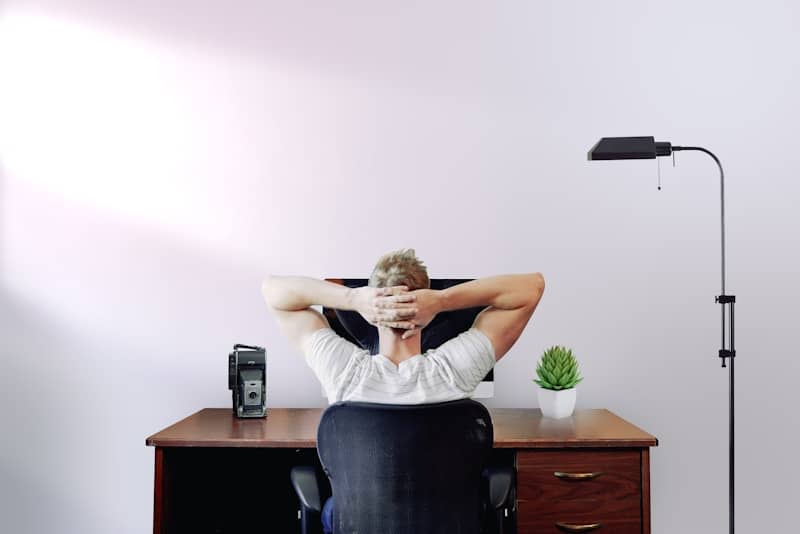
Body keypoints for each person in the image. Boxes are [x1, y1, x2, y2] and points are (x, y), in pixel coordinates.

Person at [261, 248, 545, 533]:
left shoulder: (343, 371)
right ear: (428, 307)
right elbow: (532, 287)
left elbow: (273, 291)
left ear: (372, 312)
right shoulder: (454, 371)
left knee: (334, 504)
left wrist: (353, 298)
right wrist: (442, 300)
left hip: (361, 526)